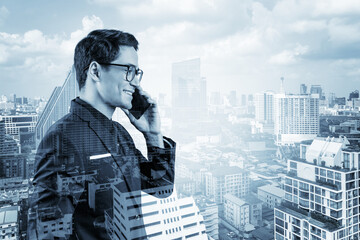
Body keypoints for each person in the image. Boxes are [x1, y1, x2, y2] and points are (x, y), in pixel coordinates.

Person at [29, 29, 176, 239]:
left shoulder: (120, 134)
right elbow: (47, 233)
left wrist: (153, 134)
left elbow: (160, 187)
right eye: (128, 70)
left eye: (136, 72)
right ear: (96, 72)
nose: (135, 82)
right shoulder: (62, 139)